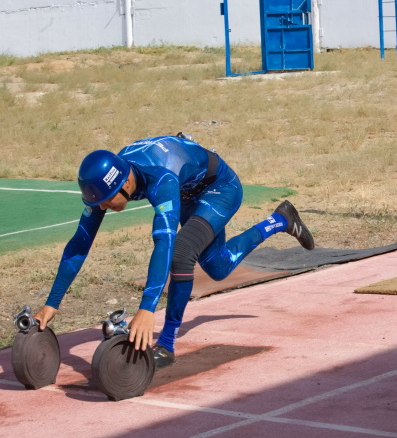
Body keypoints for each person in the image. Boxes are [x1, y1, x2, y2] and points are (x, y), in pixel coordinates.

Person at [33, 133, 315, 369]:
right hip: (188, 191)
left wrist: (147, 309)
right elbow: (80, 244)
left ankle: (166, 344)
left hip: (220, 189)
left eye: (107, 201)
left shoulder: (161, 179)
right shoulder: (112, 176)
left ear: (126, 183)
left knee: (181, 252)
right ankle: (281, 219)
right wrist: (52, 303)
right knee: (218, 267)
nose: (102, 208)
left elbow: (165, 243)